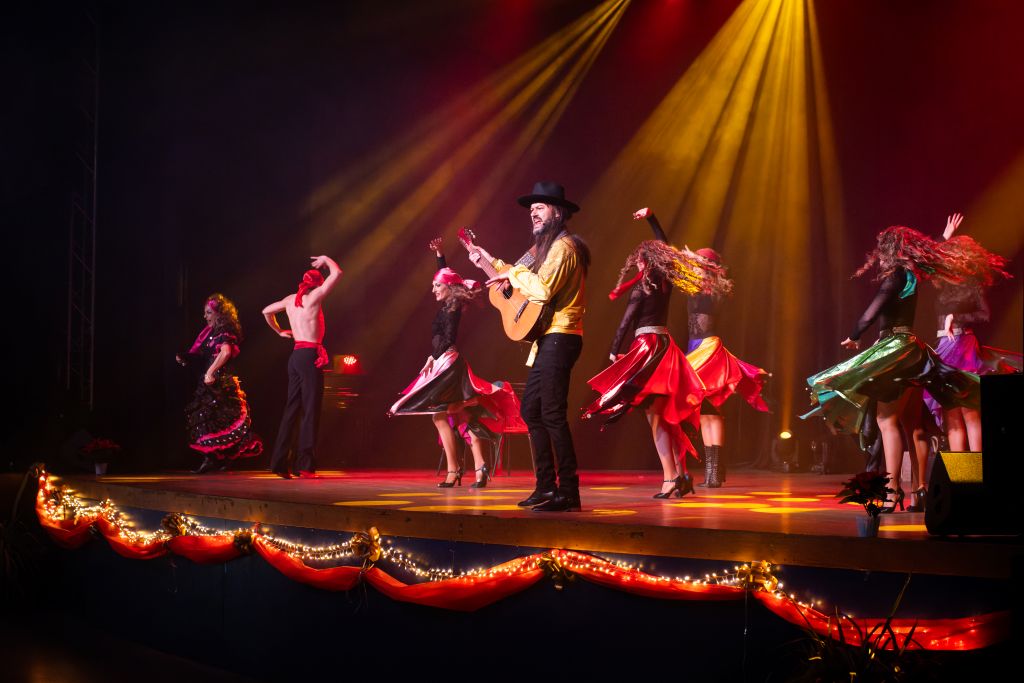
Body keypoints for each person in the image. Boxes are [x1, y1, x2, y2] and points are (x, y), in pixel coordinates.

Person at [804, 226, 980, 511]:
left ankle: (895, 489)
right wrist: (943, 239)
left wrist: (854, 334)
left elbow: (873, 309)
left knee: (889, 422)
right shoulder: (914, 274)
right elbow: (929, 260)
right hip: (914, 348)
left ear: (889, 250)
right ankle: (923, 489)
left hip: (899, 347)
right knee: (915, 425)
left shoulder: (898, 275)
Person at [583, 208, 729, 498]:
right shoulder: (665, 284)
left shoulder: (641, 288)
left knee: (657, 420)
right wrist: (652, 218)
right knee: (665, 417)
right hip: (666, 349)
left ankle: (670, 478)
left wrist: (613, 354)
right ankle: (681, 475)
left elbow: (625, 323)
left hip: (647, 349)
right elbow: (663, 246)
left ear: (642, 261)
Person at [469, 181, 589, 512]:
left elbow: (542, 290)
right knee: (531, 411)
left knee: (551, 412)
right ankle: (546, 486)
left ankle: (569, 490)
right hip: (547, 338)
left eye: (541, 206)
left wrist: (513, 272)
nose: (533, 211)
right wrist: (489, 262)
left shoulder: (565, 248)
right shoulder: (545, 250)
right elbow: (520, 284)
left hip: (562, 336)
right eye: (531, 208)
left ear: (558, 211)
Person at [387, 238, 524, 488]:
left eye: (436, 285)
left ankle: (456, 469)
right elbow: (446, 276)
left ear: (448, 287)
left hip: (449, 364)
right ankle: (477, 468)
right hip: (445, 361)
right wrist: (439, 255)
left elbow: (448, 337)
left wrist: (433, 356)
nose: (433, 289)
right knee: (456, 417)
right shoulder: (447, 305)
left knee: (441, 414)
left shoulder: (453, 306)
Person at [925, 213, 1019, 460]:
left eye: (955, 251)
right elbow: (926, 262)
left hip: (962, 344)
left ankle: (977, 476)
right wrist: (944, 237)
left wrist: (956, 317)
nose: (951, 255)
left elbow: (984, 315)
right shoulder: (942, 281)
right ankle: (961, 479)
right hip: (944, 347)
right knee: (952, 412)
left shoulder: (972, 284)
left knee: (968, 410)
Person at [683, 248, 769, 488]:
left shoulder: (713, 290)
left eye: (699, 262)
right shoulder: (697, 284)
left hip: (707, 348)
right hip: (694, 348)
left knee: (712, 410)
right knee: (706, 412)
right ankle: (714, 472)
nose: (694, 265)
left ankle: (715, 472)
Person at [262, 255, 342, 478]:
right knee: (310, 410)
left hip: (295, 357)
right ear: (317, 284)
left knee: (292, 409)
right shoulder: (315, 297)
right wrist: (326, 259)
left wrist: (279, 331)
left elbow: (266, 311)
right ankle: (305, 466)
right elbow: (337, 274)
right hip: (308, 357)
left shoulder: (290, 300)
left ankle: (279, 463)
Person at [178, 294, 262, 473]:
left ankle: (216, 460)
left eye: (209, 312)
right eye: (205, 312)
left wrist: (210, 372)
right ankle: (216, 460)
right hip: (211, 381)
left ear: (219, 314)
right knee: (210, 421)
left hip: (220, 381)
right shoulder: (210, 333)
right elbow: (205, 354)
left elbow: (225, 352)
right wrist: (187, 358)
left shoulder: (225, 330)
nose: (205, 316)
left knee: (217, 420)